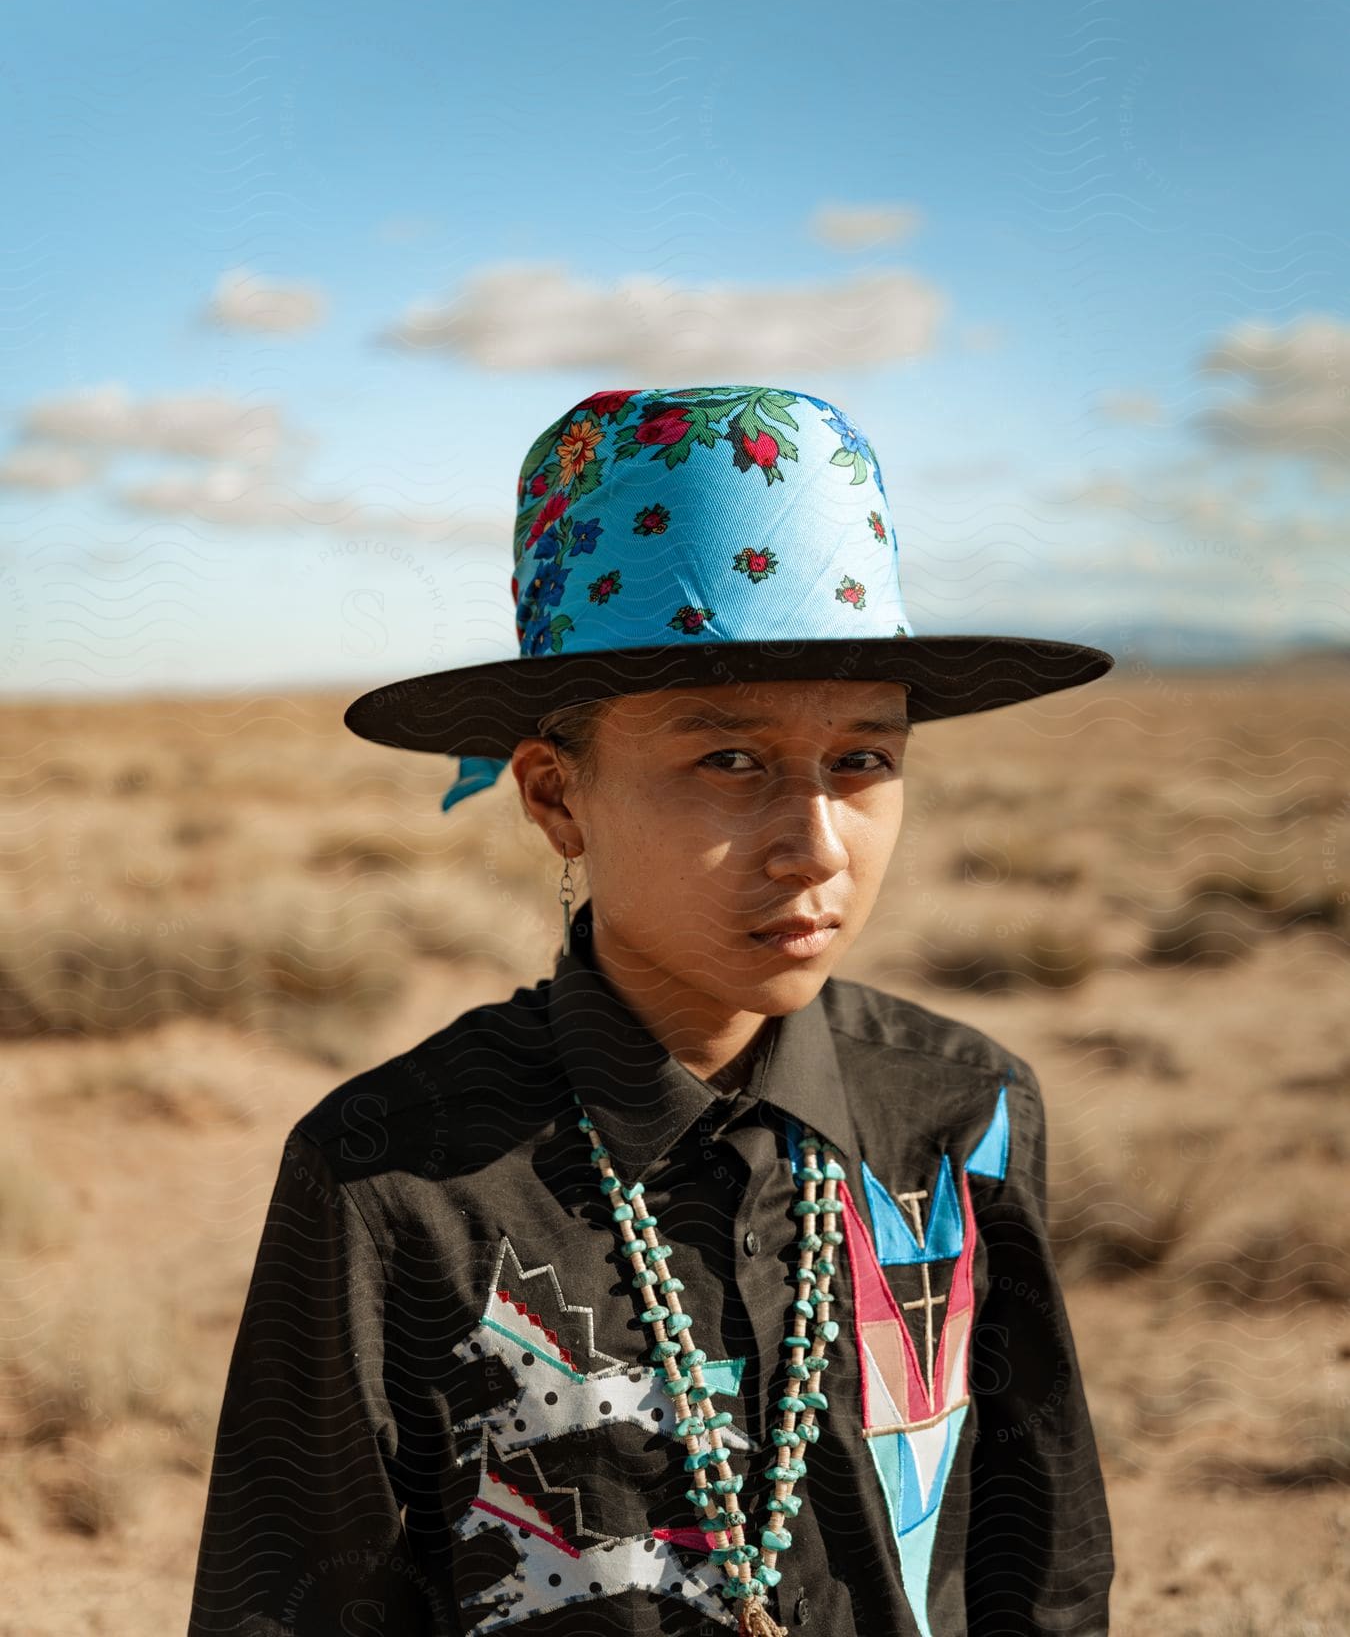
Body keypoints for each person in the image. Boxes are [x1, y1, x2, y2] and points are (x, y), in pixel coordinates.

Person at [186, 385, 1116, 1636]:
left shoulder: (959, 1112)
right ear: (557, 798)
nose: (815, 845)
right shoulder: (394, 1177)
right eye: (728, 761)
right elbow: (298, 1599)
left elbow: (1038, 1558)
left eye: (865, 760)